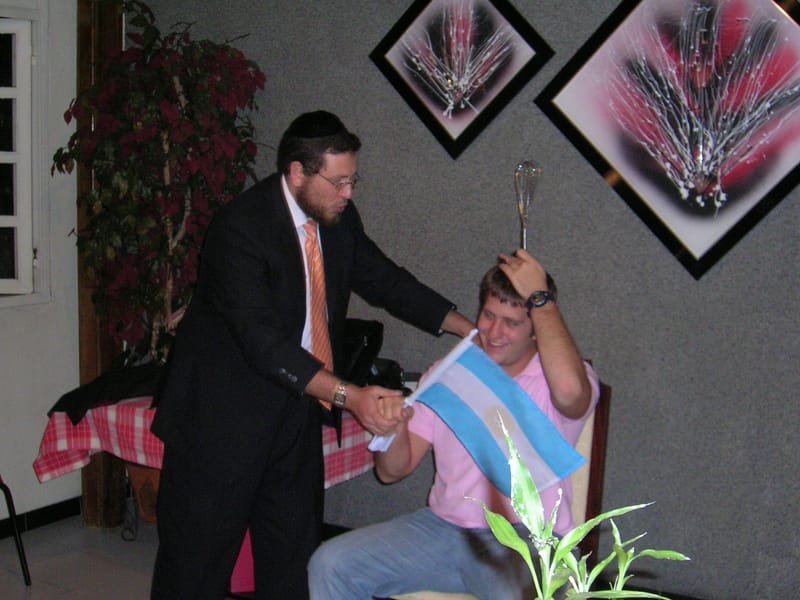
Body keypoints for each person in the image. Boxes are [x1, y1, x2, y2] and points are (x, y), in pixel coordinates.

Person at [149, 110, 474, 600]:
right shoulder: (241, 228)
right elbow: (264, 344)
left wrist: (470, 330)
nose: (349, 193)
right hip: (219, 421)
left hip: (295, 409)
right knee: (195, 569)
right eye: (338, 181)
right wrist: (351, 396)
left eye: (353, 180)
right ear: (297, 172)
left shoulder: (337, 219)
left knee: (292, 560)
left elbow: (385, 280)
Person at [307, 249, 600, 600]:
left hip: (527, 539)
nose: (494, 332)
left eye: (511, 322)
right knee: (330, 564)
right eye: (488, 316)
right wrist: (391, 429)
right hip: (443, 530)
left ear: (536, 328)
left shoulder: (559, 380)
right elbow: (391, 471)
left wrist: (541, 299)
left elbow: (570, 392)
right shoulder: (450, 373)